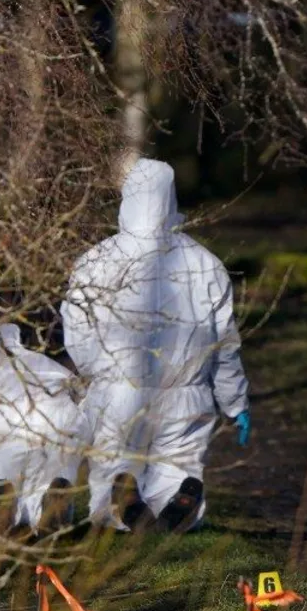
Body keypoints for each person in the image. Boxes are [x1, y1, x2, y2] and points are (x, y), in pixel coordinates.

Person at [62, 158, 251, 532]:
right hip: (186, 393)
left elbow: (77, 333)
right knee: (179, 463)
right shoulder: (205, 264)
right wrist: (235, 401)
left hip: (119, 391)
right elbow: (224, 344)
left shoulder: (94, 262)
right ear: (171, 198)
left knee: (112, 467)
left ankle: (123, 507)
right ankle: (177, 501)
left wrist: (97, 374)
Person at [0, 321, 87, 535]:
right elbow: (80, 393)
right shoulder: (44, 362)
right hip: (53, 422)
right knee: (45, 472)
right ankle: (44, 505)